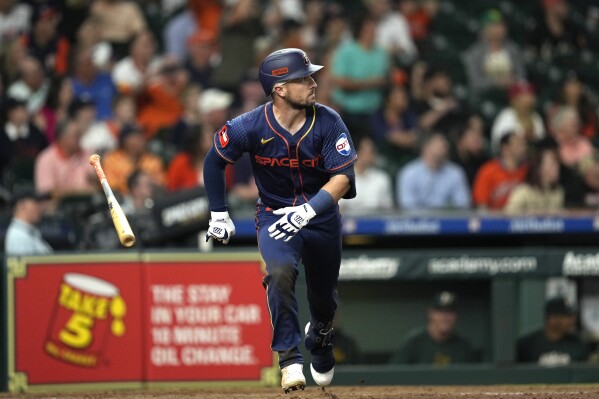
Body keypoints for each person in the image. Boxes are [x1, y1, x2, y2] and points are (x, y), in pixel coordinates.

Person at [203, 48, 357, 392]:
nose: (313, 83)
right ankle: (288, 359)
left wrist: (309, 210)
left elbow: (343, 177)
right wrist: (218, 213)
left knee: (323, 298)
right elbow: (214, 161)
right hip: (274, 215)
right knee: (279, 273)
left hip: (321, 217)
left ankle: (320, 335)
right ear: (280, 89)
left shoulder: (329, 121)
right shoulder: (249, 125)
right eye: (303, 79)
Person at [389, 291, 476, 365]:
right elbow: (393, 377)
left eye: (449, 312)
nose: (444, 317)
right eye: (440, 312)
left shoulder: (464, 347)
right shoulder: (413, 344)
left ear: (456, 316)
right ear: (430, 314)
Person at [397, 133, 471, 211]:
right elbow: (407, 208)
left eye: (445, 145)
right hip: (418, 222)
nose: (444, 148)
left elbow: (463, 205)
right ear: (426, 148)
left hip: (447, 221)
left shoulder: (455, 172)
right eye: (440, 145)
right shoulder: (409, 173)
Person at [462, 9, 526, 95]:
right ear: (484, 29)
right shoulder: (473, 54)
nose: (498, 29)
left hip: (512, 95)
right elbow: (474, 82)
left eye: (501, 25)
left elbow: (521, 77)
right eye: (494, 26)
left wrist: (512, 81)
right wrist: (497, 82)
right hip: (485, 97)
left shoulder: (513, 50)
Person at [517, 297, 589, 366]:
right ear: (552, 318)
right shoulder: (526, 345)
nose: (572, 320)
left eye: (573, 316)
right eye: (567, 316)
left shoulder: (579, 344)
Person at [473, 132, 528, 211]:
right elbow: (481, 206)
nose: (523, 148)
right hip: (495, 220)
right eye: (519, 144)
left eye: (523, 144)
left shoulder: (528, 170)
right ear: (505, 149)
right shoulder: (488, 171)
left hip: (520, 220)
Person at [339, 137, 394, 213]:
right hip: (346, 223)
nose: (371, 156)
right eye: (367, 152)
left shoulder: (382, 178)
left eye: (373, 152)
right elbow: (337, 209)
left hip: (374, 222)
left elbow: (387, 209)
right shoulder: (340, 178)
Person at [505, 147, 564, 215]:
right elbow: (507, 216)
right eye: (552, 164)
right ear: (539, 168)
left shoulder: (558, 192)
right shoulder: (523, 192)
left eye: (557, 164)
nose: (557, 168)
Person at [491, 81, 545, 153]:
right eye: (525, 95)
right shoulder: (506, 117)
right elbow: (498, 145)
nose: (529, 99)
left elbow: (541, 142)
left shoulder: (536, 117)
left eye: (530, 94)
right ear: (515, 99)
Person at [4, 189, 53, 256]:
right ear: (21, 206)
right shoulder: (18, 237)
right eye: (35, 203)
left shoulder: (27, 232)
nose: (39, 207)